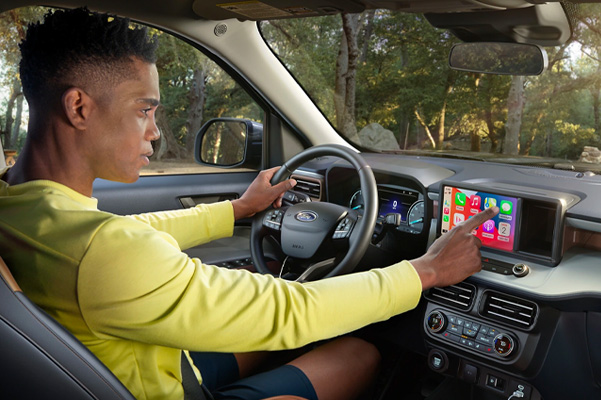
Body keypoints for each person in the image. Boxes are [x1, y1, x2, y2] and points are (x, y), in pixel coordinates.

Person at [0, 7, 498, 400]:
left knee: (270, 334)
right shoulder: (107, 254)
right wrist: (427, 272)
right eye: (143, 110)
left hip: (131, 363)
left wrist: (236, 210)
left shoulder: (20, 204)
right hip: (155, 387)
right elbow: (292, 309)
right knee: (359, 354)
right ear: (79, 107)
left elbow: (135, 232)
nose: (154, 131)